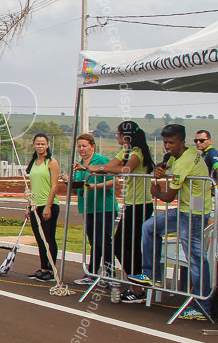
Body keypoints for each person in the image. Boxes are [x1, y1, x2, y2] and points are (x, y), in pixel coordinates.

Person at [130, 124, 213, 320]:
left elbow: (168, 197)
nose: (167, 146)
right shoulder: (184, 154)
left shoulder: (184, 162)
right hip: (185, 210)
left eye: (171, 143)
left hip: (194, 213)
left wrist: (156, 191)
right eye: (165, 142)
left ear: (182, 142)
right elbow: (168, 166)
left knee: (196, 259)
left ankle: (203, 306)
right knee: (149, 227)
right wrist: (162, 171)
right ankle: (153, 275)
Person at [86, 121, 155, 303]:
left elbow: (125, 169)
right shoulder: (125, 151)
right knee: (125, 246)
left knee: (122, 245)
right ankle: (137, 285)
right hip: (132, 205)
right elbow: (112, 165)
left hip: (141, 206)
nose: (116, 137)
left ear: (125, 136)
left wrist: (98, 168)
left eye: (117, 134)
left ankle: (138, 288)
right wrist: (89, 167)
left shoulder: (136, 152)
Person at [64, 133, 118, 286]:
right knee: (94, 241)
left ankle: (110, 273)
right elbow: (78, 189)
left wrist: (96, 187)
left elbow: (114, 180)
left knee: (104, 241)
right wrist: (69, 183)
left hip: (104, 207)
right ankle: (92, 273)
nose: (81, 149)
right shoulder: (78, 165)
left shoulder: (101, 161)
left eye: (84, 146)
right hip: (88, 208)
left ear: (92, 146)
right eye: (79, 146)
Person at [25, 133, 61, 281]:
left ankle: (52, 270)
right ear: (34, 145)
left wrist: (48, 206)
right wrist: (28, 206)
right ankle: (43, 267)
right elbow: (32, 187)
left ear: (48, 145)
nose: (40, 146)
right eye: (38, 144)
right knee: (39, 239)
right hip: (35, 205)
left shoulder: (51, 162)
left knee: (48, 238)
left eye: (43, 144)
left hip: (48, 205)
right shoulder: (34, 163)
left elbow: (54, 185)